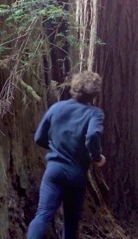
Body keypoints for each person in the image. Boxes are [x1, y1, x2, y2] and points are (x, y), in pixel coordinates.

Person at [27, 71, 106, 239]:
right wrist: (97, 157)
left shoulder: (56, 108)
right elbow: (92, 136)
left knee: (42, 215)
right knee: (71, 221)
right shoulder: (94, 113)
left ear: (75, 87)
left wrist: (56, 148)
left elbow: (39, 138)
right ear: (94, 93)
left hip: (54, 171)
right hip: (76, 174)